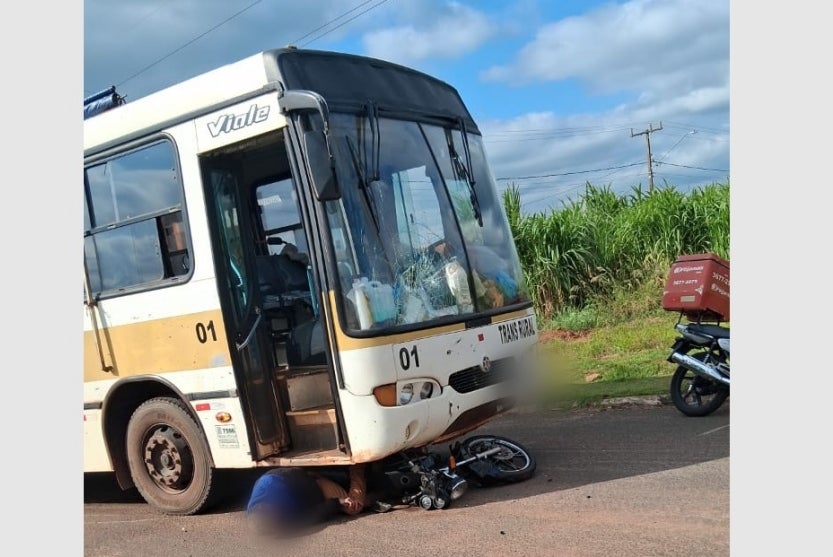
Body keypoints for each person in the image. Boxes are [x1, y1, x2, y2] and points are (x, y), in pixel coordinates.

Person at [245, 464, 392, 537]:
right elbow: (310, 517)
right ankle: (378, 495)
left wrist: (338, 502)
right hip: (310, 492)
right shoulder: (271, 516)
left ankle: (357, 468)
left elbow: (315, 512)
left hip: (315, 483)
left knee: (353, 507)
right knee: (356, 504)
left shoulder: (275, 484)